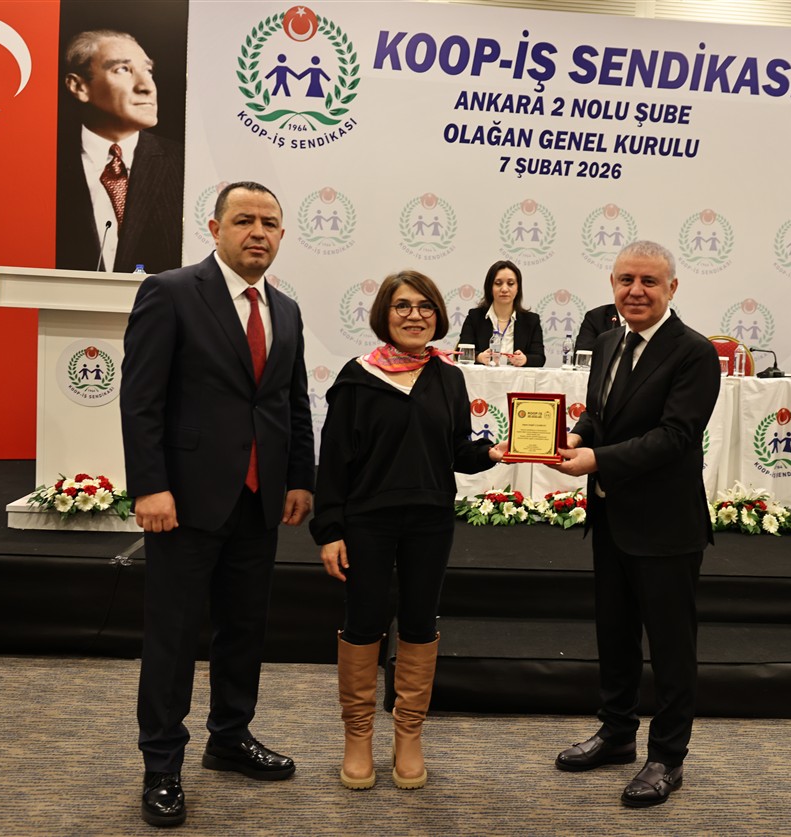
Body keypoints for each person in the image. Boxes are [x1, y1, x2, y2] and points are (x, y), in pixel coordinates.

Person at [120, 182, 314, 827]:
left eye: (270, 222)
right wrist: (149, 485)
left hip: (259, 503)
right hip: (185, 501)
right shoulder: (170, 292)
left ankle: (229, 738)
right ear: (215, 228)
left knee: (244, 630)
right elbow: (140, 399)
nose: (258, 232)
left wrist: (299, 478)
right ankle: (161, 765)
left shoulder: (286, 310)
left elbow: (291, 403)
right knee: (174, 637)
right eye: (244, 220)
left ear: (281, 235)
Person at [312, 270, 504, 791]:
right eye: (402, 306)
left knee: (419, 622)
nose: (414, 315)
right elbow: (334, 462)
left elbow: (456, 450)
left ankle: (409, 735)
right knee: (363, 621)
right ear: (384, 314)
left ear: (437, 315)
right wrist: (330, 530)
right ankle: (357, 737)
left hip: (430, 519)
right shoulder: (357, 378)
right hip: (367, 521)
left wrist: (492, 452)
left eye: (424, 306)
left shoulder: (449, 377)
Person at [547, 241, 720, 808]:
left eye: (649, 281)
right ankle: (617, 733)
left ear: (673, 288)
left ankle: (668, 756)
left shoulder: (695, 353)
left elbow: (675, 437)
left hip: (666, 525)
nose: (636, 291)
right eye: (626, 280)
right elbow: (601, 413)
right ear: (612, 284)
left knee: (671, 647)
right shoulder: (606, 341)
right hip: (612, 517)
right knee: (615, 635)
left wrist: (596, 459)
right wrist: (575, 436)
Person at [57, 29, 183, 274]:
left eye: (148, 71)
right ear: (79, 86)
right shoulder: (47, 162)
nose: (147, 87)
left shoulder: (183, 164)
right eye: (123, 69)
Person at [457, 260, 545, 366]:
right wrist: (479, 357)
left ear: (518, 288)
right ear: (490, 288)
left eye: (510, 283)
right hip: (483, 376)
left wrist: (524, 359)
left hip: (517, 376)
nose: (504, 289)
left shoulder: (531, 320)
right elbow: (460, 352)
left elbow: (540, 358)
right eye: (498, 283)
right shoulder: (475, 317)